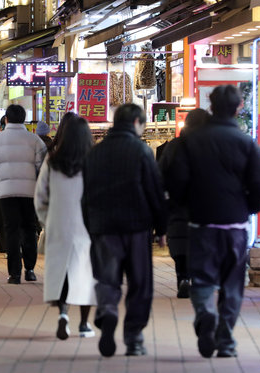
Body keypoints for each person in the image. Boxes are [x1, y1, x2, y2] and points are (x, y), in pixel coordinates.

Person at [165, 85, 260, 358]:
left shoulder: (191, 142)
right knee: (232, 284)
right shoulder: (246, 143)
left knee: (201, 279)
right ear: (238, 109)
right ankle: (225, 340)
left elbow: (176, 182)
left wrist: (189, 207)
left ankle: (205, 314)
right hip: (235, 226)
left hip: (201, 224)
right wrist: (244, 209)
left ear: (210, 107)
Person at [82, 103, 167, 357]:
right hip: (137, 228)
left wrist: (90, 226)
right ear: (136, 124)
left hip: (103, 228)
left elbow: (84, 195)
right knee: (140, 283)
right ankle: (134, 337)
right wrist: (161, 227)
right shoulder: (141, 151)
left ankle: (108, 310)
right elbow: (155, 191)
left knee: (107, 278)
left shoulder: (94, 154)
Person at [34, 113, 96, 340]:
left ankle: (63, 315)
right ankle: (84, 324)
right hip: (86, 228)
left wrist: (46, 221)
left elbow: (40, 196)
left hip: (58, 225)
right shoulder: (93, 162)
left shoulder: (52, 161)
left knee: (62, 274)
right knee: (85, 275)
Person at [0, 104, 47, 284]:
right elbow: (43, 166)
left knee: (11, 230)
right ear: (24, 119)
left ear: (6, 119)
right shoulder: (35, 140)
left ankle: (14, 274)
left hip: (6, 193)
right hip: (30, 193)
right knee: (29, 228)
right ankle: (31, 269)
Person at [158, 108, 210, 299]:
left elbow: (160, 175)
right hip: (204, 207)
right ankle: (198, 279)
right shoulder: (211, 146)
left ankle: (183, 278)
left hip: (177, 205)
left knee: (180, 244)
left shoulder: (174, 146)